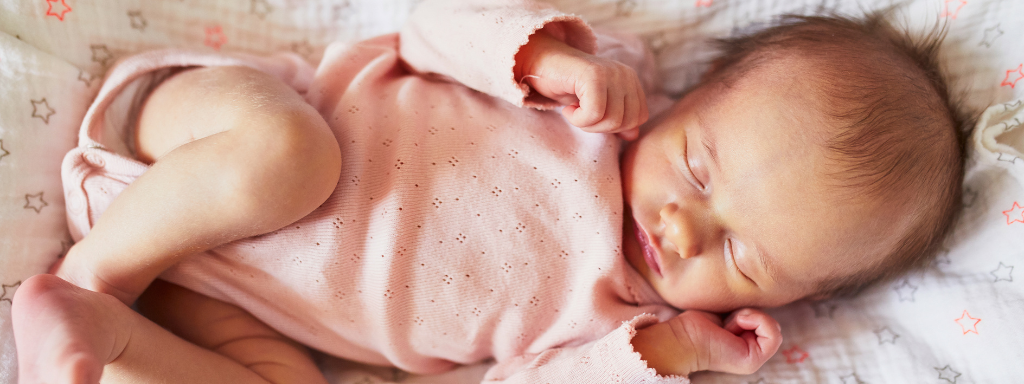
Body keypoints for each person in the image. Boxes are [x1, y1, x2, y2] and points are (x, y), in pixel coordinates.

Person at [12, 0, 966, 383]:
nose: (681, 229)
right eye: (700, 171)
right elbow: (430, 27)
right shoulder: (598, 95)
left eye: (740, 254)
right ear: (690, 99)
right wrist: (539, 55)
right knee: (292, 157)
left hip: (220, 294)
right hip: (210, 131)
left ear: (779, 301)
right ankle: (94, 275)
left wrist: (671, 351)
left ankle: (105, 336)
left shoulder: (610, 328)